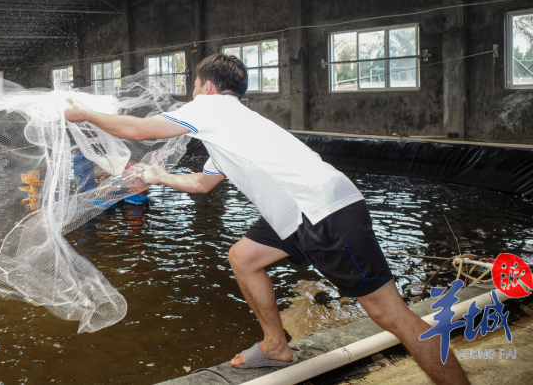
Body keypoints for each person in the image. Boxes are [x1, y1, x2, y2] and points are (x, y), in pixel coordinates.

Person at [64, 53, 469, 384]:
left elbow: (138, 130)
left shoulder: (212, 108)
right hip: (294, 215)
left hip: (323, 211)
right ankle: (275, 345)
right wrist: (158, 176)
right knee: (243, 257)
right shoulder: (232, 128)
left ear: (207, 85)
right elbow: (203, 185)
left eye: (193, 86)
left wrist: (86, 115)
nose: (191, 94)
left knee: (389, 314)